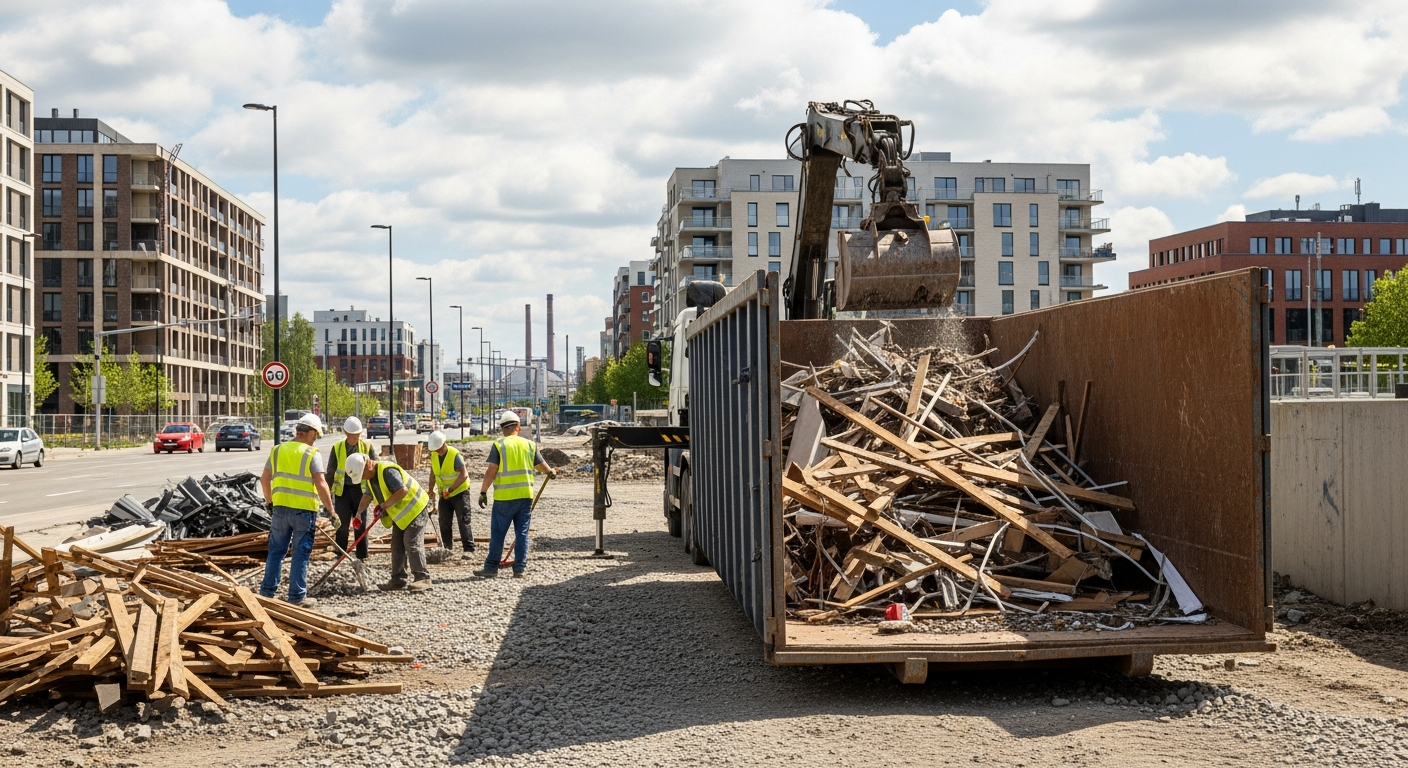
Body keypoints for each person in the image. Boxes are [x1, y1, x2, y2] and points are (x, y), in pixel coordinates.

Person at [259, 413, 336, 607]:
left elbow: (264, 479)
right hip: (303, 512)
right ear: (309, 432)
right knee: (301, 554)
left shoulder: (277, 450)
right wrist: (332, 512)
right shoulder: (311, 453)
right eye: (316, 434)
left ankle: (266, 594)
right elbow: (321, 483)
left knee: (276, 552)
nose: (315, 438)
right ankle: (297, 597)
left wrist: (269, 502)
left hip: (280, 510)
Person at [474, 411, 555, 578]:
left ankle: (491, 567)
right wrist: (550, 471)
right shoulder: (529, 445)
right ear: (518, 426)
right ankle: (519, 568)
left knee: (498, 534)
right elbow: (541, 465)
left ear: (503, 428)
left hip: (504, 497)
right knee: (522, 533)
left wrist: (483, 491)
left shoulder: (500, 445)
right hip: (525, 496)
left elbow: (492, 469)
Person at [346, 451, 434, 592]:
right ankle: (398, 579)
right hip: (402, 514)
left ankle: (422, 578)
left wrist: (384, 506)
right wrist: (358, 513)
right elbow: (367, 496)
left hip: (415, 508)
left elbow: (402, 491)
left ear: (368, 465)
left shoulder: (387, 471)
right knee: (396, 545)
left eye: (362, 475)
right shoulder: (370, 477)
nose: (362, 478)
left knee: (411, 542)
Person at [326, 416, 375, 561]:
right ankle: (341, 551)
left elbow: (374, 469)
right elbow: (330, 472)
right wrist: (327, 493)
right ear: (346, 433)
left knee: (360, 523)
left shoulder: (367, 447)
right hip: (343, 491)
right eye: (352, 435)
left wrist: (375, 493)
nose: (355, 438)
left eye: (357, 435)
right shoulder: (338, 448)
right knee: (342, 523)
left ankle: (362, 553)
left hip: (361, 491)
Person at [427, 430, 474, 556]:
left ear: (443, 444)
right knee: (444, 521)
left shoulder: (454, 454)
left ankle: (468, 549)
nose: (437, 451)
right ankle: (448, 549)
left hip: (459, 491)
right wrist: (431, 489)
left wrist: (451, 489)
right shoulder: (434, 455)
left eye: (439, 448)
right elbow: (433, 473)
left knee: (463, 519)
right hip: (444, 493)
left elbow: (464, 475)